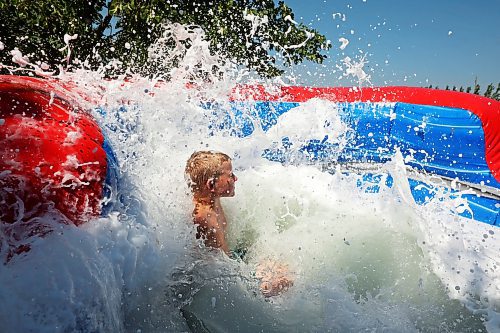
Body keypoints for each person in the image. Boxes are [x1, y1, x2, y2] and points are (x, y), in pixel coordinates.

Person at [185, 151, 292, 297]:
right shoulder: (207, 219)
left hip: (230, 260)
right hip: (224, 277)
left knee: (279, 265)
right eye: (229, 176)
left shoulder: (210, 199)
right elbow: (222, 267)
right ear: (212, 184)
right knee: (285, 278)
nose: (235, 178)